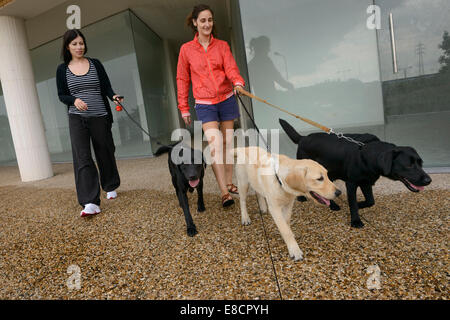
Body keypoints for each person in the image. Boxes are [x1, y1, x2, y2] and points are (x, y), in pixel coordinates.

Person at [177, 4, 245, 208]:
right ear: (195, 23)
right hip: (205, 104)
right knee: (215, 146)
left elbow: (231, 68)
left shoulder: (222, 46)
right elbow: (182, 79)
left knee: (228, 144)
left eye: (210, 20)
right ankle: (225, 192)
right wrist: (184, 107)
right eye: (203, 20)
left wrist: (238, 82)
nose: (207, 24)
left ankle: (230, 182)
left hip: (226, 99)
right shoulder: (186, 50)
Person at [56, 29, 122, 217]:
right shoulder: (62, 69)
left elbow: (106, 86)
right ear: (67, 47)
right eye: (75, 44)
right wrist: (73, 100)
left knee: (104, 151)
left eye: (81, 43)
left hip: (99, 115)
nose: (79, 47)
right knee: (82, 157)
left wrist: (114, 96)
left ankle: (110, 185)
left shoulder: (95, 64)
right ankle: (90, 202)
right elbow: (62, 94)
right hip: (76, 117)